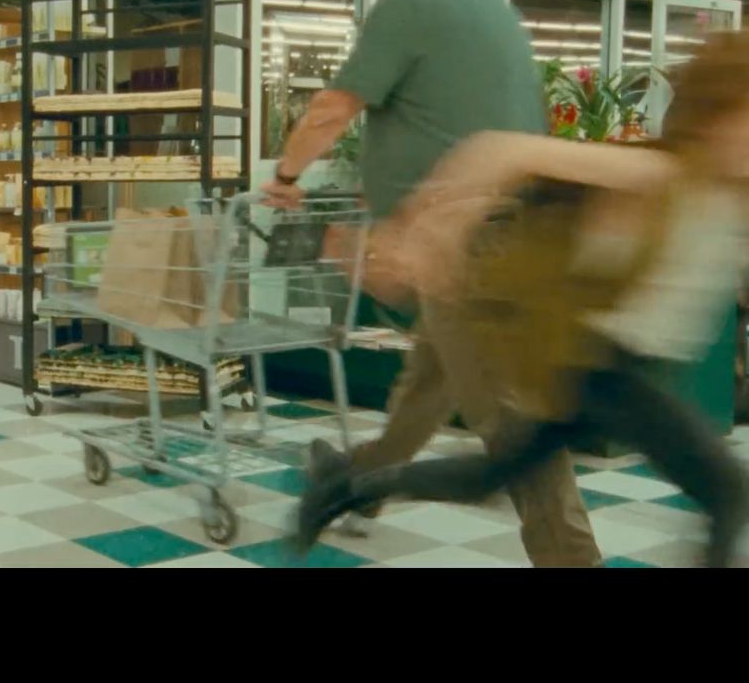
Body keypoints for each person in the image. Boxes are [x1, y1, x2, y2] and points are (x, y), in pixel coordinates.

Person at [294, 31, 749, 567]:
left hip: (619, 370)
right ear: (715, 118)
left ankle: (344, 489)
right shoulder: (658, 174)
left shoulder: (731, 192)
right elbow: (499, 151)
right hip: (605, 371)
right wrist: (413, 234)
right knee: (726, 492)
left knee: (490, 473)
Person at [260, 0, 601, 566]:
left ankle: (575, 560)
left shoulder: (408, 5)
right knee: (426, 388)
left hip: (465, 247)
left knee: (511, 424)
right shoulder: (499, 17)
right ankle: (357, 483)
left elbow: (332, 109)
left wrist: (287, 173)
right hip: (504, 237)